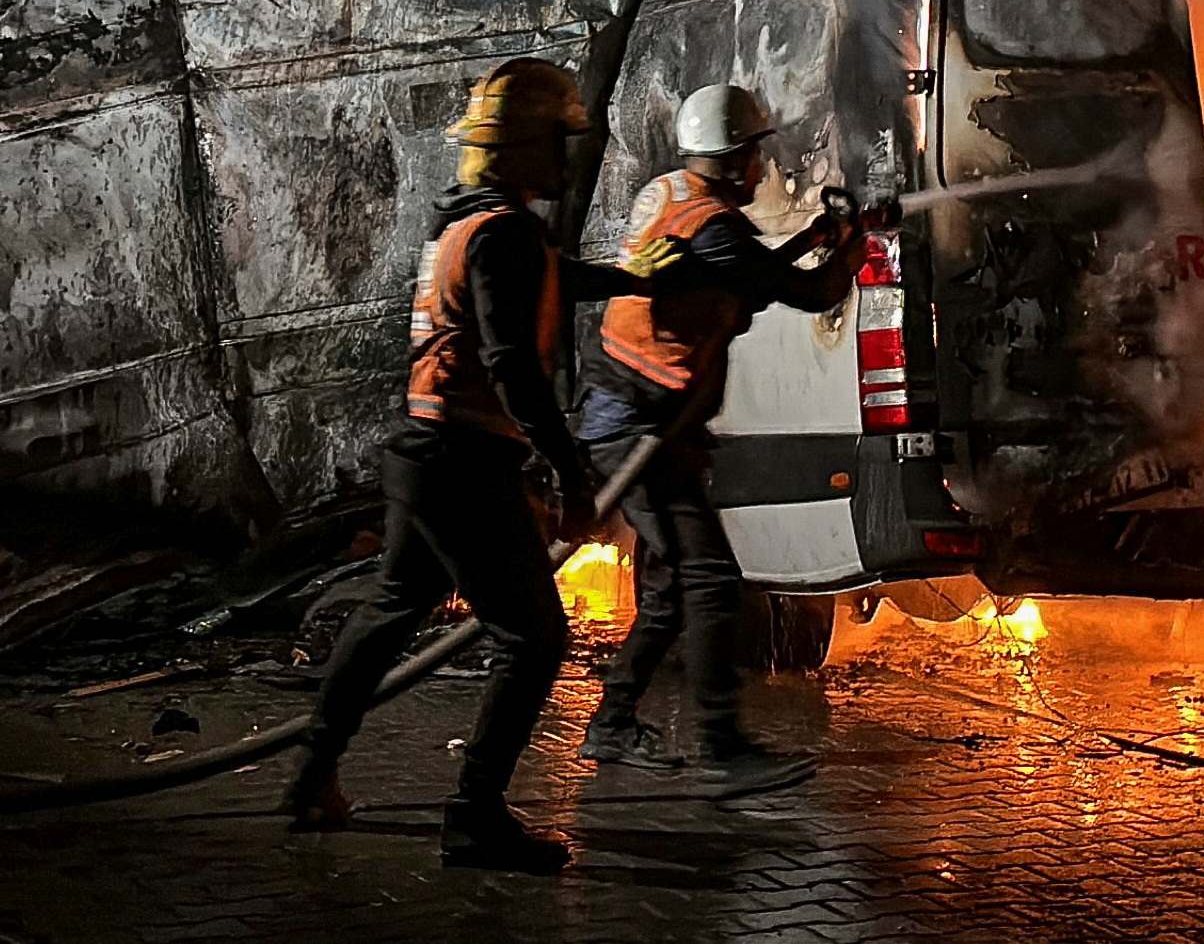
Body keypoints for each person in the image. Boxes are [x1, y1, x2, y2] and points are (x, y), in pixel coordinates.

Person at [282, 58, 676, 875]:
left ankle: (311, 774)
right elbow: (513, 362)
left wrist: (629, 276)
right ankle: (473, 816)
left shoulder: (465, 227)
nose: (567, 162)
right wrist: (568, 473)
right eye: (558, 144)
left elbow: (544, 282)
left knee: (390, 612)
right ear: (526, 148)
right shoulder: (503, 233)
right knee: (532, 641)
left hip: (423, 451)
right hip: (465, 460)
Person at [575, 83, 863, 792]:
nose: (763, 166)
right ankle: (720, 749)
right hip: (638, 428)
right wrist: (852, 247)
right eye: (758, 152)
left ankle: (611, 726)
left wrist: (817, 237)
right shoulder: (717, 227)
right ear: (737, 158)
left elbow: (745, 278)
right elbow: (809, 293)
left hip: (631, 418)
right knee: (708, 578)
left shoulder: (671, 193)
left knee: (673, 586)